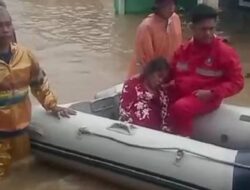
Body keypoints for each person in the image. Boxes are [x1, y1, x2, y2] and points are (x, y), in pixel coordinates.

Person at [0, 7, 76, 177]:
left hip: (20, 130)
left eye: (8, 24)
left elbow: (39, 83)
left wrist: (52, 104)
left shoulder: (25, 55)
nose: (5, 30)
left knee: (22, 172)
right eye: (0, 26)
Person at [170, 4, 244, 137]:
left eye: (211, 28)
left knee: (181, 108)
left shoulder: (225, 52)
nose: (208, 33)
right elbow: (169, 72)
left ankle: (183, 141)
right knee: (156, 97)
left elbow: (237, 82)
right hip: (182, 92)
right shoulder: (183, 50)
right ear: (192, 28)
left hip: (207, 98)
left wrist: (212, 93)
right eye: (203, 29)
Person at [127, 0, 182, 78]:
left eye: (173, 4)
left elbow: (178, 49)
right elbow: (146, 62)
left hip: (167, 73)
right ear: (158, 6)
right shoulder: (146, 27)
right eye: (167, 5)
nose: (171, 8)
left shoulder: (175, 19)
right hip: (146, 77)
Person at [120, 57, 171, 132]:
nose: (161, 80)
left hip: (154, 134)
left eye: (163, 78)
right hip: (132, 131)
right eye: (159, 76)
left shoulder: (162, 93)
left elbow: (165, 119)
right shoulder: (132, 84)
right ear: (150, 72)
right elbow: (124, 111)